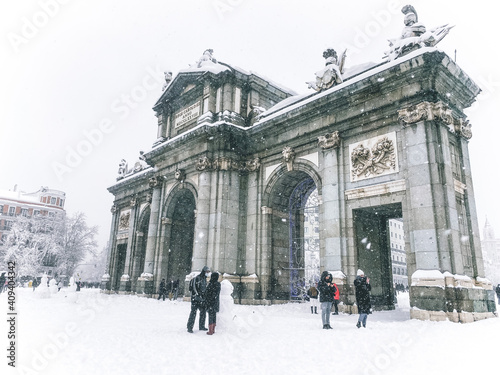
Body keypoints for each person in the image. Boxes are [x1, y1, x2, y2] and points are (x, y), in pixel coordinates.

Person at [187, 266, 210, 333]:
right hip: (195, 299)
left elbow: (204, 289)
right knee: (193, 313)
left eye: (208, 272)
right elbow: (194, 288)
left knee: (203, 312)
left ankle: (201, 326)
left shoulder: (204, 279)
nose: (207, 273)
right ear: (204, 271)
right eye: (207, 272)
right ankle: (190, 327)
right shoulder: (197, 278)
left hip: (202, 299)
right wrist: (198, 295)